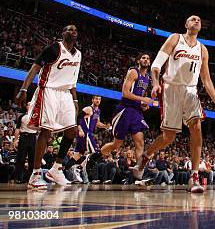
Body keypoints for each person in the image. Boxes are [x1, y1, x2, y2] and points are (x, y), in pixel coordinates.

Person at [132, 15, 215, 193]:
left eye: (199, 19)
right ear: (186, 24)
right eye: (192, 19)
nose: (197, 20)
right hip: (170, 89)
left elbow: (206, 79)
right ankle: (146, 156)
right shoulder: (175, 38)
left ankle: (194, 175)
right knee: (169, 137)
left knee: (196, 126)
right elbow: (156, 64)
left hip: (190, 90)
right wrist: (155, 83)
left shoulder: (203, 49)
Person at [15, 25, 81, 189]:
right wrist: (24, 89)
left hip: (66, 93)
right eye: (68, 29)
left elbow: (72, 81)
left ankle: (56, 169)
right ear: (63, 33)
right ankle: (35, 174)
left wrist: (75, 101)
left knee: (72, 130)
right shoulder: (53, 48)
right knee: (46, 130)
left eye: (74, 30)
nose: (72, 32)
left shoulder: (78, 54)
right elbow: (35, 68)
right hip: (48, 90)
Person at [89, 54, 152, 171]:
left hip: (136, 112)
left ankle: (139, 172)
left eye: (148, 58)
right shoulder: (133, 72)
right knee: (116, 144)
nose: (146, 60)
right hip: (125, 110)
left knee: (140, 143)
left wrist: (143, 104)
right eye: (143, 58)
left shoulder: (147, 77)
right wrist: (143, 99)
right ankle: (93, 158)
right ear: (138, 60)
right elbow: (125, 93)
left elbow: (139, 95)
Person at [14, 102, 37, 183]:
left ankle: (29, 178)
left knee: (32, 158)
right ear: (26, 106)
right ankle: (18, 178)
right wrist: (15, 140)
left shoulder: (36, 116)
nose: (29, 106)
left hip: (33, 137)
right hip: (23, 137)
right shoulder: (22, 116)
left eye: (31, 104)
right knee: (21, 158)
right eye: (28, 104)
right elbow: (17, 129)